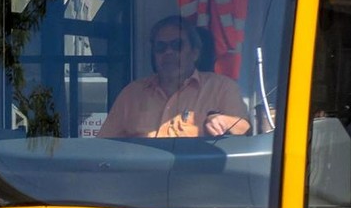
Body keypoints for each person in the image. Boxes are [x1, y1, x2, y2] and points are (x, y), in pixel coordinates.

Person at [99, 15, 251, 138]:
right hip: (144, 174)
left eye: (177, 45)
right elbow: (104, 145)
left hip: (199, 174)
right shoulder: (132, 93)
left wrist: (224, 122)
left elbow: (245, 129)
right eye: (161, 47)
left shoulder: (221, 87)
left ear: (195, 53)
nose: (168, 53)